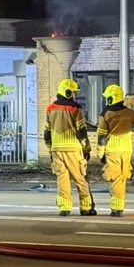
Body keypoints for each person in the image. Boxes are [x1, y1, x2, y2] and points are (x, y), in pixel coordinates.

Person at [96, 85, 134, 217]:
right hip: (127, 151)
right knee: (122, 178)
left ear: (111, 99)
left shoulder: (106, 115)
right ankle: (119, 206)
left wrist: (100, 154)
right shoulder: (130, 113)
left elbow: (101, 137)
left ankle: (117, 208)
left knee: (115, 179)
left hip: (112, 150)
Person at [45, 79, 93, 217]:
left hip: (56, 149)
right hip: (73, 148)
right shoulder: (75, 109)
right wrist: (86, 148)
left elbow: (47, 132)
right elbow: (81, 131)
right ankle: (85, 206)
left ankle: (65, 207)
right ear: (67, 92)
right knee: (80, 178)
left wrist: (50, 148)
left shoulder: (50, 109)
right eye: (73, 92)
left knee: (62, 179)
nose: (74, 95)